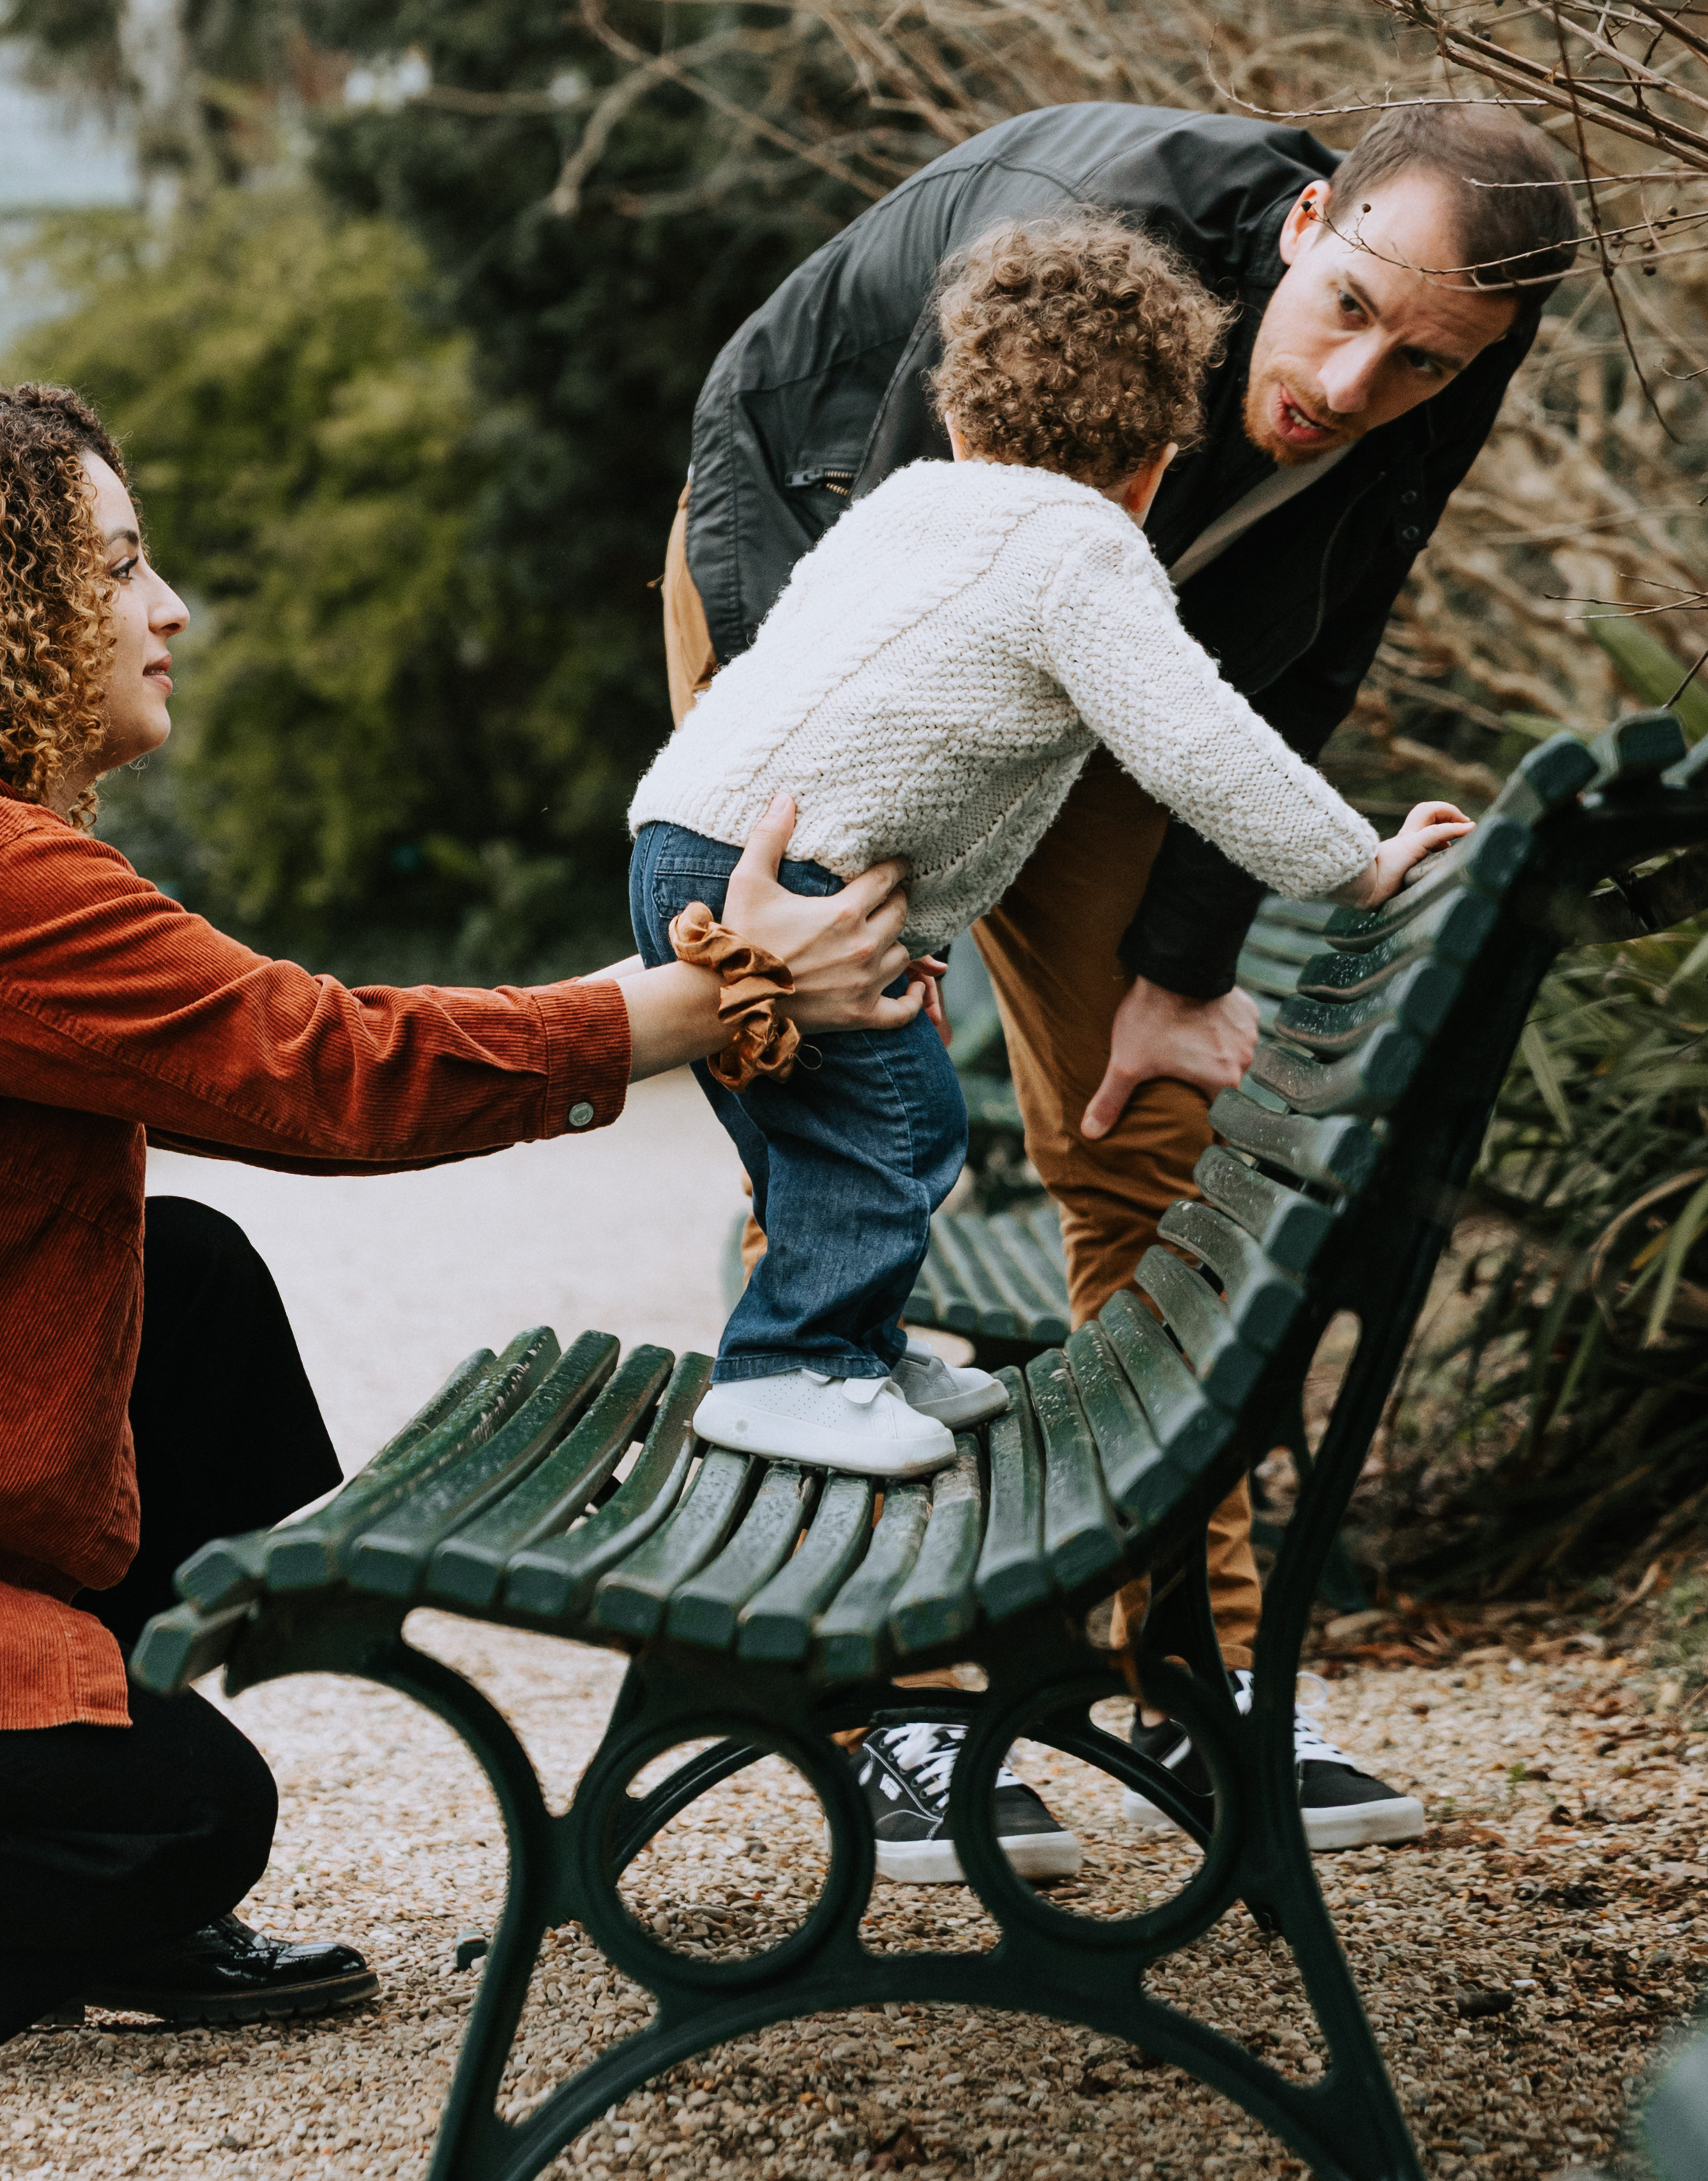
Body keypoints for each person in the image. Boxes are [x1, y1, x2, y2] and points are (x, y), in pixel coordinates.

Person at [0, 383, 922, 2091]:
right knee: (182, 1826)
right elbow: (326, 1069)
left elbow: (278, 1065)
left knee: (184, 1291)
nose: (166, 607)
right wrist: (709, 993)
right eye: (117, 569)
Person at [662, 96, 1578, 1882]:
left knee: (1148, 1121)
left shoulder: (1428, 378)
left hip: (1121, 637)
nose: (1359, 381)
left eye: (1428, 361)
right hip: (829, 559)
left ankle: (1200, 1672)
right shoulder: (1094, 242)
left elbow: (1302, 657)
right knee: (834, 1103)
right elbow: (858, 587)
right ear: (1310, 219)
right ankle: (891, 1702)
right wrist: (830, 888)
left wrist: (1181, 968)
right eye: (1351, 312)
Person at [630, 215, 1470, 1488]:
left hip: (683, 841)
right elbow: (1206, 750)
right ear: (1153, 467)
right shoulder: (1083, 553)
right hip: (775, 881)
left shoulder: (912, 498)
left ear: (960, 420)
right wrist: (1359, 863)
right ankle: (789, 1371)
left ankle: (842, 1338)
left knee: (831, 1131)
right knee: (901, 1123)